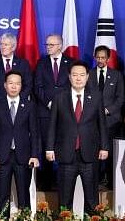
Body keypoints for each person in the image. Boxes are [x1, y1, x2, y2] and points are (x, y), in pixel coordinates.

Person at [45, 61, 109, 214]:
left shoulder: (96, 97)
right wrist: (49, 148)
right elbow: (52, 124)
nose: (78, 78)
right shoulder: (59, 97)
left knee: (92, 200)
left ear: (87, 77)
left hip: (90, 153)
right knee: (65, 200)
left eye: (82, 75)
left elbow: (102, 123)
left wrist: (104, 147)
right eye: (75, 75)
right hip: (66, 154)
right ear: (69, 77)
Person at [0, 70, 39, 217]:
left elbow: (35, 133)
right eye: (11, 83)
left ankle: (25, 218)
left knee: (24, 195)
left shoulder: (29, 105)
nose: (14, 86)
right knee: (2, 196)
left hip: (23, 157)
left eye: (17, 83)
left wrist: (34, 155)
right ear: (5, 85)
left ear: (21, 86)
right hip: (2, 157)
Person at [34, 34, 73, 190]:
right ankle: (46, 181)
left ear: (60, 46)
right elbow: (38, 87)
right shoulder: (41, 63)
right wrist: (49, 102)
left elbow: (72, 86)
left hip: (64, 112)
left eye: (51, 44)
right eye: (47, 44)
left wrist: (60, 104)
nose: (48, 47)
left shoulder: (70, 63)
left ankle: (62, 180)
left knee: (62, 144)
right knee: (45, 145)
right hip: (45, 111)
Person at [87, 45, 124, 189]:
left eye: (103, 57)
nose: (100, 60)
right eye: (98, 57)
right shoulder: (88, 74)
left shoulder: (117, 75)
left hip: (111, 121)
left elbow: (120, 98)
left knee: (109, 152)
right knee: (93, 151)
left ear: (108, 58)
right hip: (92, 121)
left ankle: (109, 181)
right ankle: (94, 180)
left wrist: (108, 110)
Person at [0, 33, 32, 104]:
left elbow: (28, 85)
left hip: (19, 105)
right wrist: (1, 101)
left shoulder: (23, 64)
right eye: (1, 44)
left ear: (13, 47)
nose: (2, 47)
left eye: (6, 45)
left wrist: (18, 99)